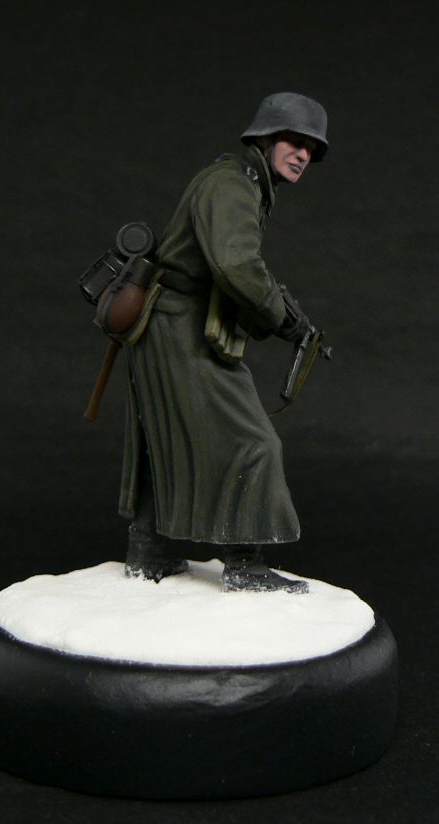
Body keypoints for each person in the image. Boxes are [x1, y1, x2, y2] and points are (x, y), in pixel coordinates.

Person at [118, 92, 329, 593]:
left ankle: (150, 554)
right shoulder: (234, 183)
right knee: (252, 440)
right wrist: (284, 320)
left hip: (170, 323)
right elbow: (236, 265)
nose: (302, 154)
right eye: (293, 141)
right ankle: (245, 564)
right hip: (178, 324)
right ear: (265, 138)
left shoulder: (241, 182)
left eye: (311, 148)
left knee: (165, 436)